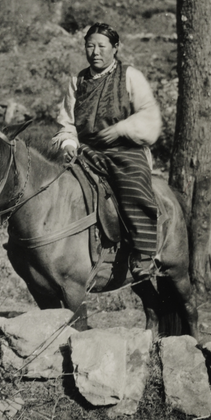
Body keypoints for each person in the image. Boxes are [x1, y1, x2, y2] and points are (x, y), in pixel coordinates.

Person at [52, 23, 162, 280]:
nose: (95, 52)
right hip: (87, 151)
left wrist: (123, 129)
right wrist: (69, 145)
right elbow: (66, 123)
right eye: (90, 46)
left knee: (131, 182)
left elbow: (149, 116)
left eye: (102, 46)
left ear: (115, 48)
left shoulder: (129, 75)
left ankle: (143, 252)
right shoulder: (77, 82)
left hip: (125, 150)